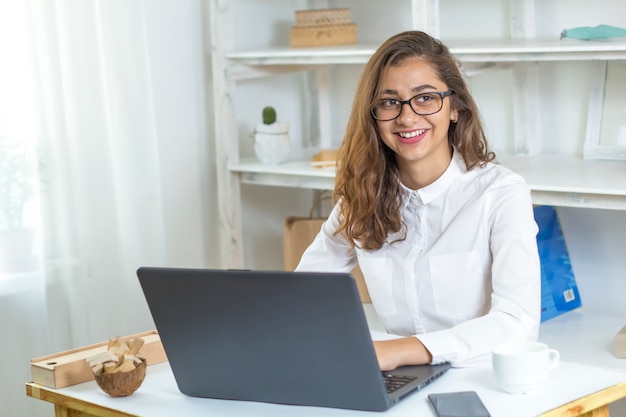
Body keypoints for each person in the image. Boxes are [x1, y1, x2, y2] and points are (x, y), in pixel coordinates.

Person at [295, 31, 541, 370]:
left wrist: (399, 351)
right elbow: (301, 292)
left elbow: (518, 323)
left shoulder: (500, 193)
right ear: (373, 115)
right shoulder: (362, 197)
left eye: (425, 98)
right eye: (389, 102)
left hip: (478, 376)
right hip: (395, 377)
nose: (407, 117)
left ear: (454, 108)